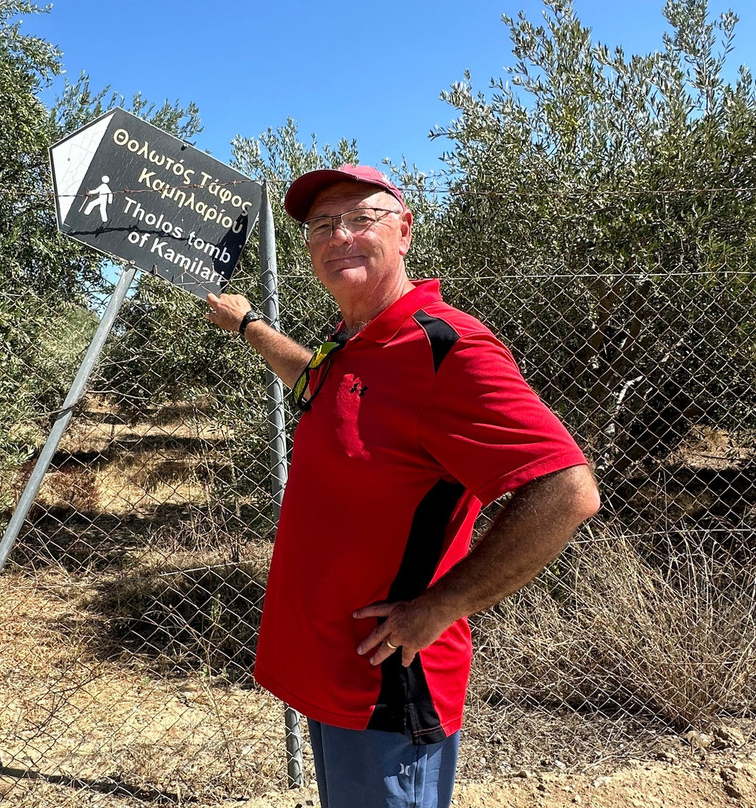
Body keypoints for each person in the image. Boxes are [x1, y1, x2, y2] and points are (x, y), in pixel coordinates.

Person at [205, 164, 599, 808]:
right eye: (322, 225)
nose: (339, 237)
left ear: (405, 231)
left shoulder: (448, 349)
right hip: (335, 673)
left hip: (388, 689)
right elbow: (316, 383)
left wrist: (440, 607)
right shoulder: (351, 342)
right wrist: (250, 324)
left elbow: (568, 490)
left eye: (360, 219)